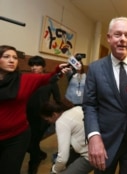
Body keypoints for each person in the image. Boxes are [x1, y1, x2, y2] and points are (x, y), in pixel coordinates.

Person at [82, 17, 127, 174]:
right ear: (109, 37)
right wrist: (93, 136)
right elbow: (90, 105)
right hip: (105, 141)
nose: (122, 40)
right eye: (118, 34)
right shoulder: (95, 68)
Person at [0, 45, 70, 174]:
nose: (11, 60)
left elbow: (49, 79)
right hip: (27, 117)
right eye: (6, 57)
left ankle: (34, 163)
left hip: (23, 130)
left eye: (15, 57)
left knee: (31, 146)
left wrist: (58, 71)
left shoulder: (24, 79)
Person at [26, 56, 62, 174]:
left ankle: (33, 166)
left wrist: (56, 114)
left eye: (37, 65)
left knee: (33, 142)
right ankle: (40, 154)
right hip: (27, 116)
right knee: (27, 144)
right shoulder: (28, 79)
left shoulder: (50, 80)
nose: (34, 68)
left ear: (43, 67)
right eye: (32, 65)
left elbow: (58, 99)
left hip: (42, 117)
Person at [40, 101, 93, 174]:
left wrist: (54, 170)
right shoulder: (77, 108)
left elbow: (62, 159)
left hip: (90, 155)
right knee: (56, 160)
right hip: (98, 146)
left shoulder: (61, 122)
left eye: (47, 120)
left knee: (57, 166)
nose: (48, 122)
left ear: (54, 115)